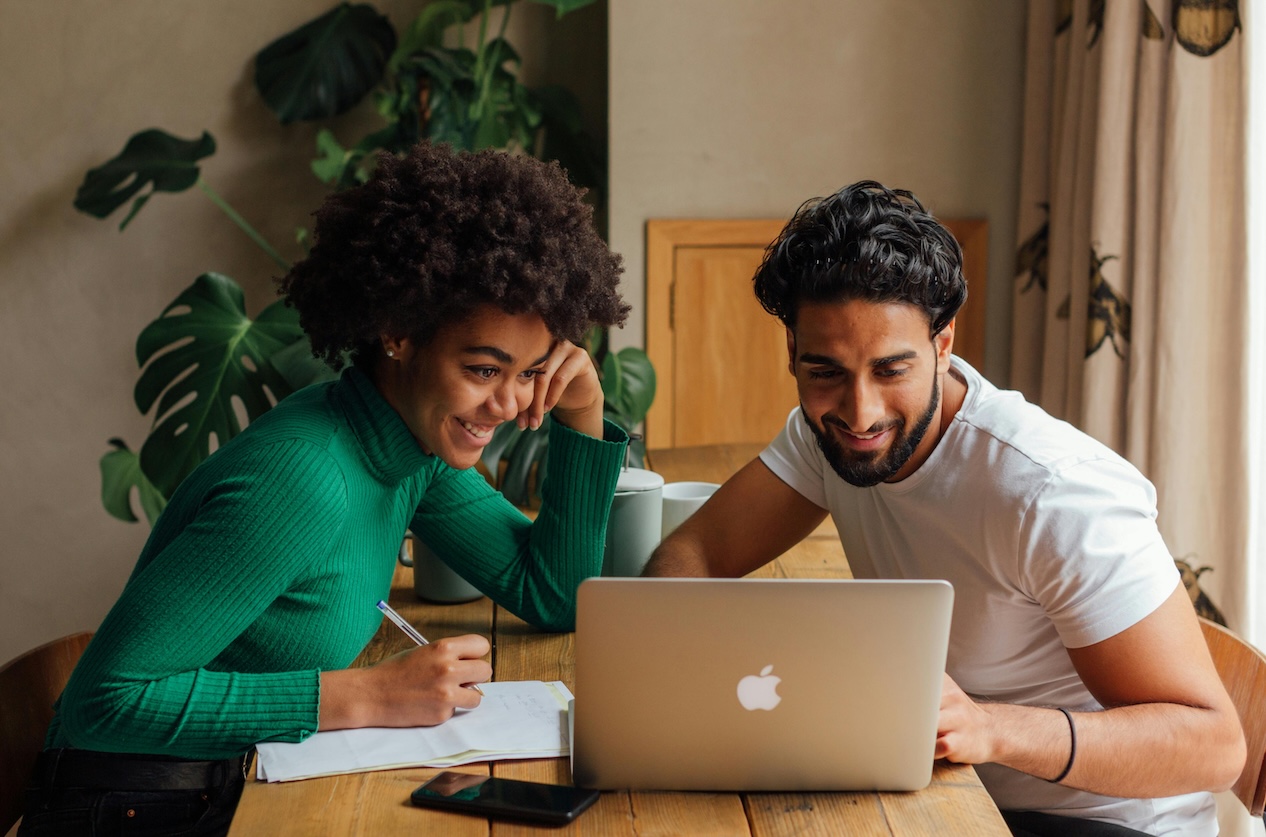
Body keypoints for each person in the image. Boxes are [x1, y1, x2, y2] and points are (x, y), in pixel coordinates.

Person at [20, 142, 630, 836]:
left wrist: (582, 410)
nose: (511, 404)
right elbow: (105, 700)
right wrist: (365, 694)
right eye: (485, 369)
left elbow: (552, 591)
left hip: (239, 779)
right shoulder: (304, 477)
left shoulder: (409, 448)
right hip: (137, 805)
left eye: (530, 372)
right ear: (398, 333)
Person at [643, 181, 1245, 836]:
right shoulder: (826, 432)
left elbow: (1214, 744)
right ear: (791, 351)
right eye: (825, 371)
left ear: (943, 342)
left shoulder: (1053, 492)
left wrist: (991, 726)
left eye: (890, 369)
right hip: (949, 795)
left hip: (1102, 821)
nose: (860, 410)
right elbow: (695, 552)